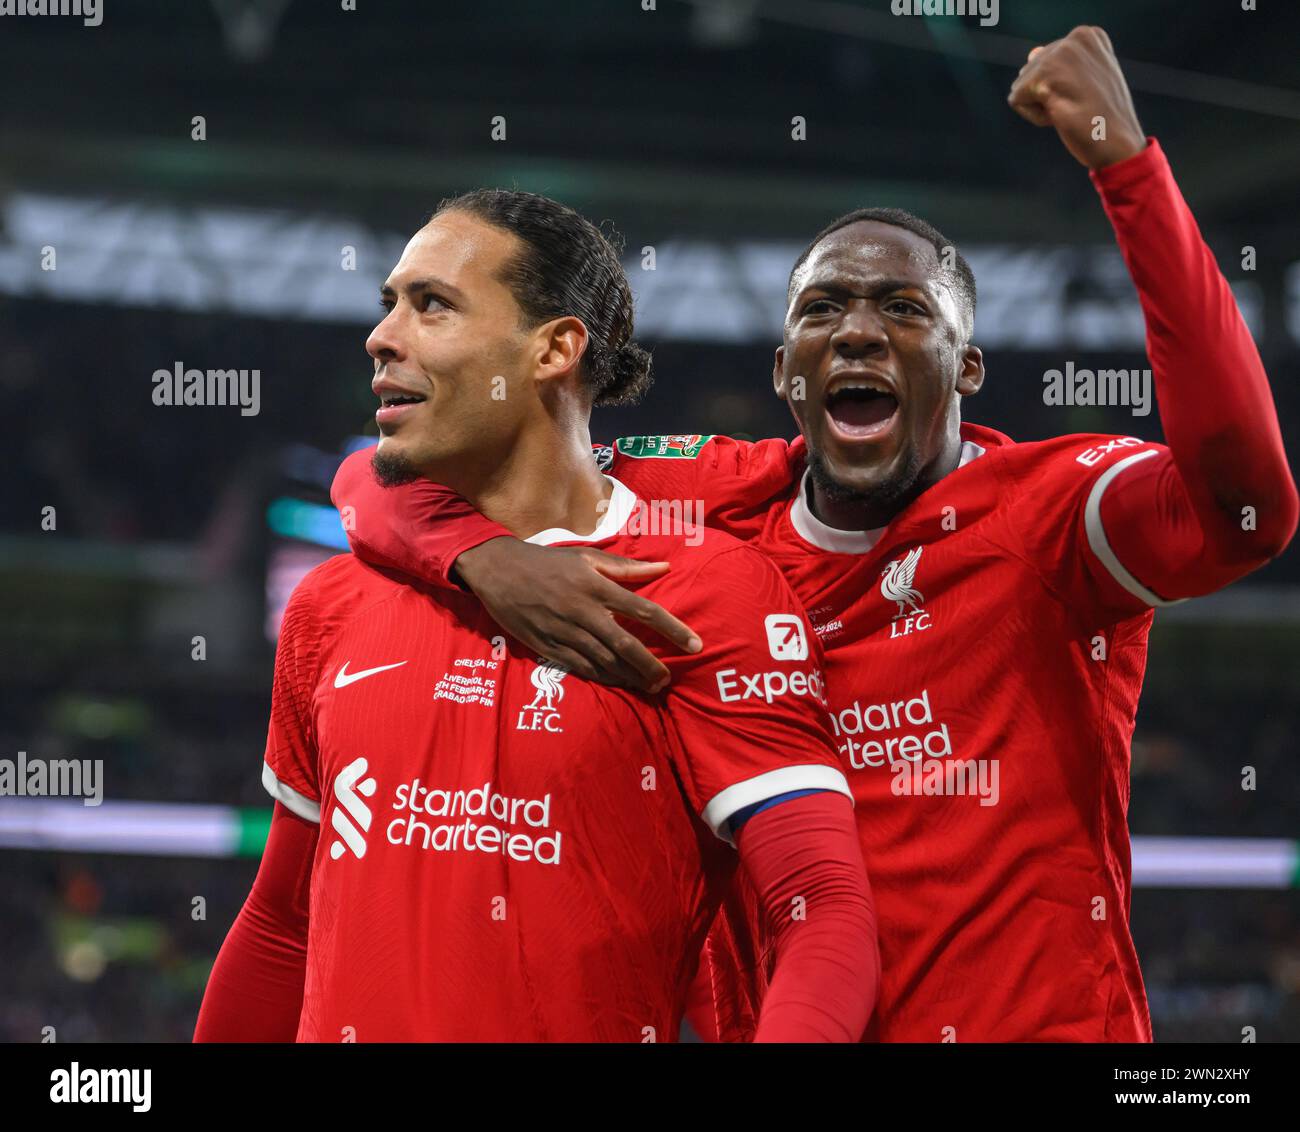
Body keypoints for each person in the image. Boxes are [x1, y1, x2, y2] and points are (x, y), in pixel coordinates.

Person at [329, 28, 1297, 1041]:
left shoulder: (1051, 514)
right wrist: (481, 555)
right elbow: (383, 471)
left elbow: (1248, 509)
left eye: (905, 310)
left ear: (966, 371)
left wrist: (1126, 168)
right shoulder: (705, 503)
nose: (859, 331)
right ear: (789, 369)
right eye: (823, 308)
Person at [194, 189, 879, 1043]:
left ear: (555, 348)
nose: (381, 336)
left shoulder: (703, 592)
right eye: (389, 305)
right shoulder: (331, 603)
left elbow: (822, 909)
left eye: (432, 305)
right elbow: (279, 928)